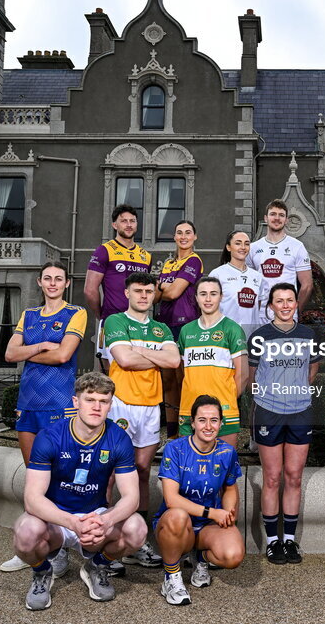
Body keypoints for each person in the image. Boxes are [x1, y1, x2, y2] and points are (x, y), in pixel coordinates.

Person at [12, 372, 147, 610]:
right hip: (57, 519)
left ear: (110, 404)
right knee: (25, 533)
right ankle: (42, 572)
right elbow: (32, 499)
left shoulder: (118, 438)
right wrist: (72, 523)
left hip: (95, 517)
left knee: (137, 528)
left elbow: (132, 498)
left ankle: (97, 565)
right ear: (76, 402)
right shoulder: (50, 436)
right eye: (89, 399)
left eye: (103, 401)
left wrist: (106, 521)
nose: (96, 407)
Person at [0, 261, 87, 573]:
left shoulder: (75, 313)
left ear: (66, 283)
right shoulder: (29, 315)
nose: (52, 283)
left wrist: (30, 351)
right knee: (34, 479)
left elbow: (64, 355)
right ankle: (32, 543)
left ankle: (59, 547)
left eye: (58, 279)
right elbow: (9, 354)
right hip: (28, 405)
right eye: (47, 278)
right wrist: (43, 345)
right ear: (40, 282)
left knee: (61, 478)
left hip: (59, 405)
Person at [103, 272, 181, 569]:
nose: (144, 296)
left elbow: (174, 361)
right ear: (127, 293)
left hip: (151, 405)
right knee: (110, 472)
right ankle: (107, 539)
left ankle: (138, 542)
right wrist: (154, 355)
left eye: (149, 291)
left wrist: (138, 349)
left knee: (143, 471)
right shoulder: (115, 321)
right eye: (138, 291)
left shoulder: (161, 328)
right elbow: (123, 360)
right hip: (121, 404)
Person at [247, 283, 320, 564]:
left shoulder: (307, 334)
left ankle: (289, 541)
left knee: (294, 476)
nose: (286, 305)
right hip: (269, 411)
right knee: (273, 477)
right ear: (271, 306)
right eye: (280, 301)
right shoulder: (260, 336)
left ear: (295, 304)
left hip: (300, 411)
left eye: (290, 300)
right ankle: (272, 541)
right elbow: (253, 376)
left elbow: (312, 369)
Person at [155, 395, 245, 606]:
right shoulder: (175, 449)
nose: (208, 426)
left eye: (214, 420)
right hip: (177, 526)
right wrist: (212, 512)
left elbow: (230, 488)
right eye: (202, 420)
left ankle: (201, 558)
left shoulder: (227, 451)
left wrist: (229, 513)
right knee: (177, 515)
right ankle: (171, 576)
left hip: (206, 527)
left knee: (233, 556)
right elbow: (171, 499)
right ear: (192, 422)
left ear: (221, 424)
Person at [177, 278, 248, 447]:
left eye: (213, 294)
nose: (208, 299)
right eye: (203, 294)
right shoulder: (186, 330)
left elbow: (243, 375)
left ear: (221, 297)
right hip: (189, 409)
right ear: (196, 298)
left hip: (224, 410)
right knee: (188, 468)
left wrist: (226, 399)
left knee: (222, 468)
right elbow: (181, 372)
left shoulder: (232, 329)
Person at [84, 204, 152, 370]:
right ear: (115, 225)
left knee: (138, 368)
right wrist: (101, 315)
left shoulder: (146, 256)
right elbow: (89, 290)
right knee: (109, 370)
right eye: (123, 221)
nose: (129, 224)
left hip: (139, 323)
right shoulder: (104, 251)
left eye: (132, 221)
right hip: (112, 320)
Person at [156, 220, 204, 437]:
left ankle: (188, 432)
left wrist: (163, 288)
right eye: (179, 232)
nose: (183, 236)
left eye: (188, 233)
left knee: (184, 379)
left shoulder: (194, 261)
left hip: (187, 326)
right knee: (168, 381)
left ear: (194, 237)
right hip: (165, 326)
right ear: (174, 237)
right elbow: (155, 296)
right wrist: (164, 288)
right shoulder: (168, 264)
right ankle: (172, 434)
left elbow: (173, 293)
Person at [247, 199, 313, 319]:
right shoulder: (253, 248)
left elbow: (307, 285)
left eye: (281, 215)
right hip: (259, 315)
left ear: (286, 220)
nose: (277, 218)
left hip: (287, 315)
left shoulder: (297, 246)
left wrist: (295, 311)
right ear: (266, 218)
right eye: (273, 214)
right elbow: (247, 283)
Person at [209, 230, 264, 329]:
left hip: (250, 337)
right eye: (238, 243)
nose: (243, 247)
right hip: (224, 335)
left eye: (246, 244)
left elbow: (257, 307)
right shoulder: (217, 274)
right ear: (228, 247)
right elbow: (209, 307)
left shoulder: (257, 276)